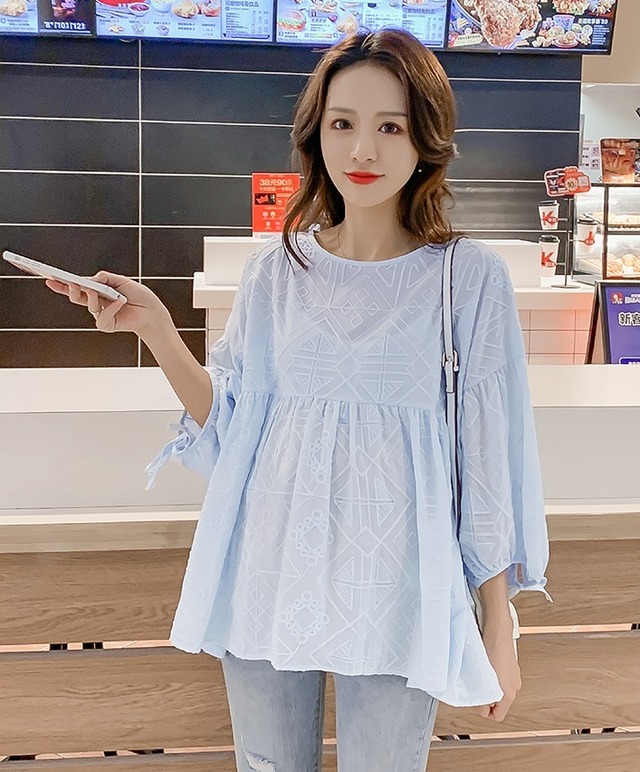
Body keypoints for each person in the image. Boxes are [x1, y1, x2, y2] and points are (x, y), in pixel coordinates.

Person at [45, 28, 551, 772]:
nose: (363, 150)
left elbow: (486, 464)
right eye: (343, 123)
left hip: (400, 586)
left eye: (391, 127)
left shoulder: (466, 279)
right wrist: (156, 330)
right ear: (317, 133)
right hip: (271, 568)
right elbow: (236, 435)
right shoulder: (275, 273)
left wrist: (499, 629)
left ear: (427, 139)